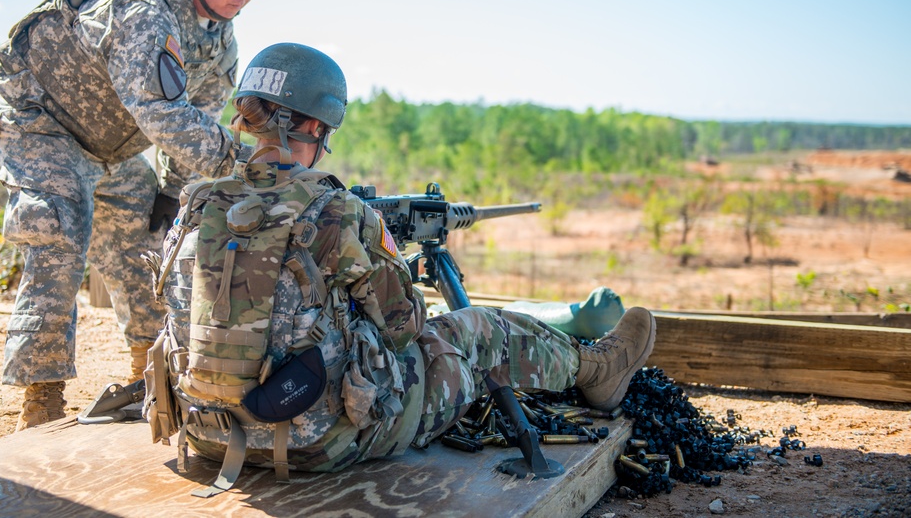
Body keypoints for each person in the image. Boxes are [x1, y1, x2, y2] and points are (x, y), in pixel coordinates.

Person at [144, 43, 656, 493]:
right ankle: (596, 371)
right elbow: (404, 328)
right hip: (324, 442)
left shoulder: (198, 204)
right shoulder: (338, 213)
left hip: (206, 435)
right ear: (317, 125)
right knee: (480, 328)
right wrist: (383, 250)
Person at [0, 0, 276, 431]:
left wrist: (169, 197)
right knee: (60, 229)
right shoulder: (142, 10)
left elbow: (197, 125)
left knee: (149, 241)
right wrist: (248, 164)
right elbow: (162, 113)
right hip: (40, 121)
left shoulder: (218, 41)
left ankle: (148, 374)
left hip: (108, 147)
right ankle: (42, 400)